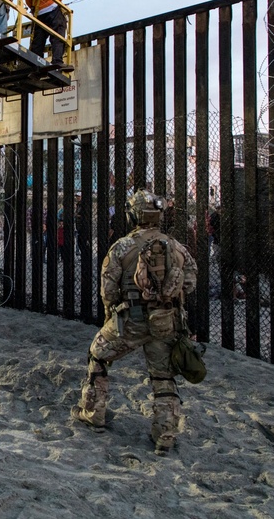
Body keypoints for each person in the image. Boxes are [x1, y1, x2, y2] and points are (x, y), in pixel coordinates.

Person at [72, 189, 198, 454]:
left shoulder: (122, 247)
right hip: (166, 322)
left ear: (133, 216)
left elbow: (108, 290)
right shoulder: (176, 246)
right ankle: (165, 432)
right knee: (163, 376)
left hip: (130, 321)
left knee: (98, 356)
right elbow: (189, 283)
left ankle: (93, 411)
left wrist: (111, 314)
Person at [25, 0, 73, 71]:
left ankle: (35, 64)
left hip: (39, 13)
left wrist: (35, 6)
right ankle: (57, 61)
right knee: (58, 34)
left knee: (38, 40)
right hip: (54, 8)